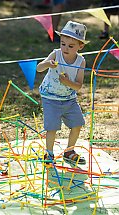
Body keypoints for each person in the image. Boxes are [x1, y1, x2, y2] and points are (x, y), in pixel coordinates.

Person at [37, 21, 89, 165]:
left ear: (81, 46)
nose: (65, 48)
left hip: (69, 99)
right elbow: (39, 68)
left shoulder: (81, 61)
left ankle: (69, 151)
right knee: (51, 127)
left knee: (77, 124)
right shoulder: (56, 54)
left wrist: (67, 83)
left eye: (70, 46)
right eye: (63, 43)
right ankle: (49, 153)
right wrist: (48, 63)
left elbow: (78, 85)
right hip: (50, 97)